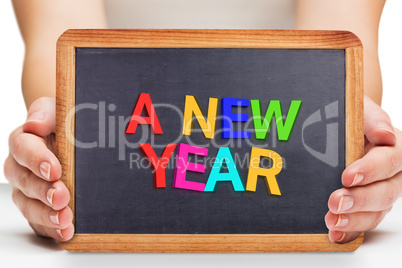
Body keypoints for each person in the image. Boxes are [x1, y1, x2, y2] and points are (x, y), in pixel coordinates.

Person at [4, 0, 401, 244]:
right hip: (124, 181)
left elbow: (338, 49)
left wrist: (358, 135)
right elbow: (65, 53)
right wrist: (55, 147)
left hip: (289, 188)